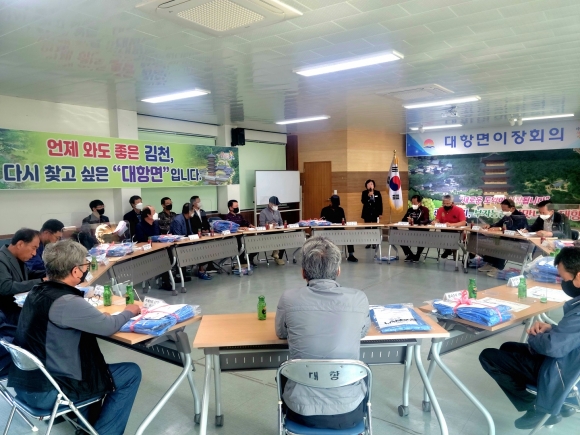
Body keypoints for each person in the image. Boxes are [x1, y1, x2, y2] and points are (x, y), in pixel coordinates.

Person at [7, 240, 142, 435]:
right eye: (85, 265)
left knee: (89, 366)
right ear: (76, 271)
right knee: (130, 372)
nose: (87, 268)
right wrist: (130, 310)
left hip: (25, 385)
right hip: (49, 391)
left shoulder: (37, 291)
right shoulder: (66, 301)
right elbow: (108, 327)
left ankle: (87, 427)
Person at [479, 247, 580, 430]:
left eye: (564, 279)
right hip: (570, 362)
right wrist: (552, 328)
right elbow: (573, 335)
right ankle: (560, 404)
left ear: (578, 277)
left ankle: (538, 407)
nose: (563, 283)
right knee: (508, 347)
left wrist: (535, 337)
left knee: (488, 357)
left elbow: (552, 348)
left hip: (561, 372)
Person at [275, 236, 370, 430]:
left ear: (303, 272)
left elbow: (281, 332)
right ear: (338, 270)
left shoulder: (289, 298)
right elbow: (362, 332)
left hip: (300, 411)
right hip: (350, 410)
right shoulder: (359, 298)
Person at [0, 229, 43, 325]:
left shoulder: (16, 257)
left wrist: (49, 274)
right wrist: (41, 281)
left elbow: (29, 274)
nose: (34, 253)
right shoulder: (1, 259)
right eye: (33, 248)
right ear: (20, 244)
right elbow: (6, 287)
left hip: (19, 308)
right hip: (8, 313)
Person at [478, 199, 528, 277]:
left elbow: (514, 229)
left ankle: (498, 267)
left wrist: (500, 229)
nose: (504, 211)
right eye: (502, 210)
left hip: (517, 241)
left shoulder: (520, 217)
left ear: (512, 208)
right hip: (506, 238)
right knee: (493, 242)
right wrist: (490, 226)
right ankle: (490, 263)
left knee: (502, 244)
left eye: (505, 210)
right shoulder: (507, 216)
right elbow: (499, 224)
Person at [320, 194, 357, 262]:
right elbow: (321, 221)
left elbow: (344, 220)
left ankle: (351, 255)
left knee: (349, 237)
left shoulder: (340, 210)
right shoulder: (325, 210)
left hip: (340, 231)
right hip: (328, 231)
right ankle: (324, 255)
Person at [433, 195, 467, 259]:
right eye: (444, 203)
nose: (446, 205)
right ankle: (449, 250)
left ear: (452, 202)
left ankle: (452, 250)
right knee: (439, 236)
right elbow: (438, 219)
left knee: (452, 238)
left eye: (448, 203)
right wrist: (435, 222)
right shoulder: (440, 209)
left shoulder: (459, 210)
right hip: (444, 231)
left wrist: (451, 225)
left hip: (457, 232)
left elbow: (463, 222)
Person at [399, 195, 431, 263]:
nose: (413, 204)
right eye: (412, 203)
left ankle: (417, 255)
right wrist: (408, 220)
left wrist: (417, 222)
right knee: (399, 238)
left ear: (420, 203)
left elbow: (426, 220)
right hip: (411, 231)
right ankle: (409, 254)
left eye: (415, 203)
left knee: (421, 239)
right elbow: (403, 220)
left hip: (422, 232)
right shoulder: (410, 210)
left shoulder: (424, 210)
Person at [225, 199, 256, 267]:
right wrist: (239, 228)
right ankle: (241, 260)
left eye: (238, 206)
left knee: (254, 243)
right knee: (241, 244)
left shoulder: (239, 216)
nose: (237, 207)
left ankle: (249, 258)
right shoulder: (227, 217)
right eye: (235, 206)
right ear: (230, 208)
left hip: (242, 235)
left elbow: (245, 222)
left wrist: (250, 225)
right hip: (234, 237)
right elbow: (230, 227)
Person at [188, 196, 212, 280]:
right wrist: (200, 231)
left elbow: (206, 222)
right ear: (194, 203)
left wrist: (207, 229)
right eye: (198, 201)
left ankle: (210, 265)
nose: (200, 203)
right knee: (201, 247)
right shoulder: (190, 212)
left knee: (211, 245)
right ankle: (201, 269)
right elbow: (192, 225)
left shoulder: (202, 211)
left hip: (205, 234)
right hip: (195, 234)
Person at [259, 196, 285, 266]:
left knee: (284, 237)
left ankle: (279, 257)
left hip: (278, 230)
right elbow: (262, 224)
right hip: (268, 232)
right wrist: (270, 225)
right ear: (270, 204)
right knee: (278, 236)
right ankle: (276, 253)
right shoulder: (263, 212)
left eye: (277, 205)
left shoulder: (277, 212)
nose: (276, 206)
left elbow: (281, 222)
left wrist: (281, 227)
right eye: (275, 204)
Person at [360, 180, 383, 249]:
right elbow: (363, 201)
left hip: (375, 213)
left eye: (371, 184)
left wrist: (380, 213)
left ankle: (374, 242)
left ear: (374, 185)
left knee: (374, 228)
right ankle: (368, 242)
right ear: (366, 186)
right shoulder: (364, 193)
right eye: (368, 184)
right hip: (367, 213)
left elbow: (380, 203)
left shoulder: (377, 193)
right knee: (367, 228)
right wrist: (368, 196)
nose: (370, 185)